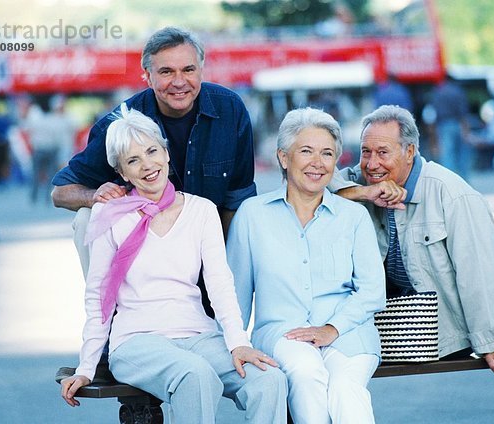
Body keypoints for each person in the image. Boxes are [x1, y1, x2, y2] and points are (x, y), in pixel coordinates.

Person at [59, 105, 287, 424]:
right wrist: (86, 368)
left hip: (198, 333)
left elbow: (221, 285)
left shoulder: (202, 211)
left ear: (166, 153)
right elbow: (98, 297)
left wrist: (238, 343)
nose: (147, 164)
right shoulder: (110, 216)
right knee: (194, 374)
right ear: (123, 173)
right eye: (133, 160)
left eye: (152, 151)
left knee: (268, 379)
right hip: (137, 340)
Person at [51, 27, 256, 284]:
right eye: (166, 72)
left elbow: (238, 199)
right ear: (147, 76)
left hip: (205, 239)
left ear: (201, 70)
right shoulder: (121, 123)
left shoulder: (230, 109)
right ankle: (108, 311)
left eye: (188, 70)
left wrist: (217, 265)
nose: (179, 82)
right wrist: (98, 197)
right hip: (142, 246)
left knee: (251, 217)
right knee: (86, 217)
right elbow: (60, 192)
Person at [329, 105, 494, 375]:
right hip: (380, 333)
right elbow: (311, 184)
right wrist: (363, 193)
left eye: (383, 152)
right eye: (365, 152)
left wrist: (491, 343)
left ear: (410, 152)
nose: (371, 164)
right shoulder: (360, 182)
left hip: (444, 338)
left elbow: (478, 273)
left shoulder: (454, 196)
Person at [227, 107, 387, 424]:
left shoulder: (352, 216)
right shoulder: (252, 215)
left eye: (327, 153)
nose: (318, 163)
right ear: (284, 158)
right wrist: (236, 344)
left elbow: (372, 290)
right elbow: (236, 294)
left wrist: (332, 329)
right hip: (283, 334)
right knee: (306, 372)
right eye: (306, 151)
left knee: (345, 389)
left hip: (348, 332)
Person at [429, 76, 471, 179]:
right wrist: (466, 129)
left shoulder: (438, 92)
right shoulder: (458, 91)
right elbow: (463, 112)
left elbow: (432, 113)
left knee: (447, 154)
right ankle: (464, 179)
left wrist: (433, 131)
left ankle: (449, 179)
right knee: (462, 154)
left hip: (443, 125)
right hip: (458, 124)